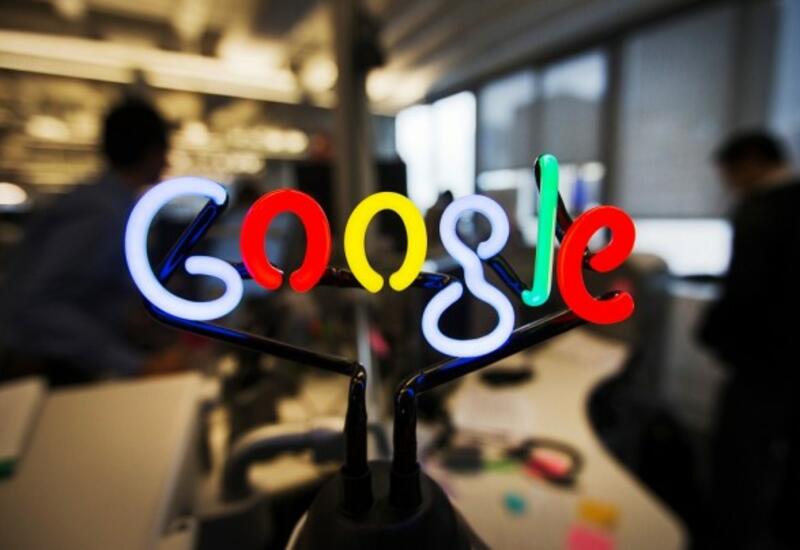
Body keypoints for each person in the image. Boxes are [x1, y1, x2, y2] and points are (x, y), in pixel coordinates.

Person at [0, 97, 183, 386]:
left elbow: (85, 294)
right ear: (152, 153)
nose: (168, 162)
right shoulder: (100, 212)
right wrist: (132, 364)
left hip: (58, 366)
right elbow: (37, 304)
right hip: (43, 373)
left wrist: (128, 318)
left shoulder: (110, 204)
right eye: (166, 151)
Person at [698, 130, 800, 549]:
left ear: (752, 162)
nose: (729, 185)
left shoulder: (761, 211)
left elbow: (747, 288)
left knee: (739, 463)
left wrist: (712, 333)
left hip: (762, 362)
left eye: (729, 174)